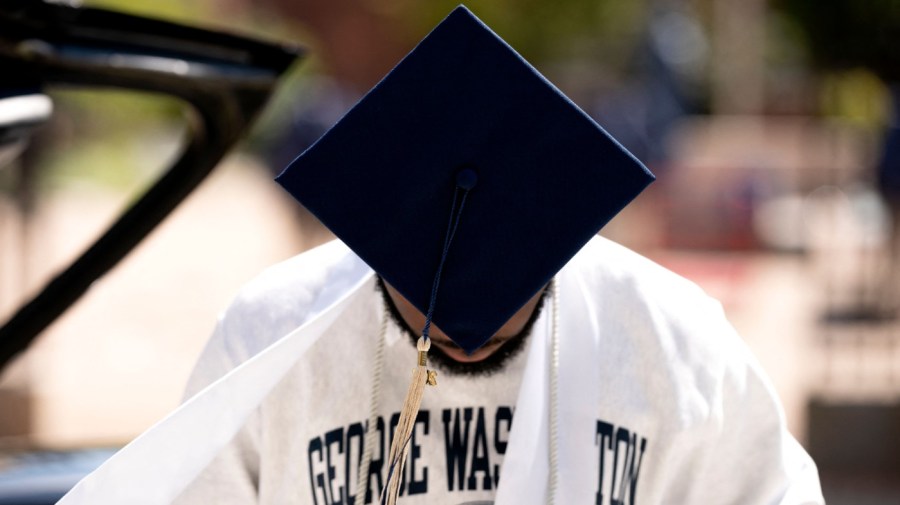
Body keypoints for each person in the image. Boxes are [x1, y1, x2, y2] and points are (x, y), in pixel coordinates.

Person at [58, 6, 823, 505]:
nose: (464, 314)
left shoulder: (677, 343)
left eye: (509, 271)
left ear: (557, 229)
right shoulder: (270, 334)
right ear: (376, 232)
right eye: (423, 279)